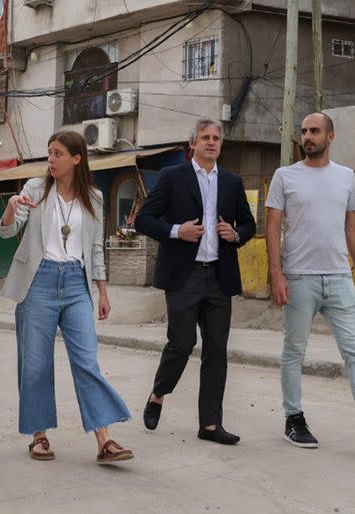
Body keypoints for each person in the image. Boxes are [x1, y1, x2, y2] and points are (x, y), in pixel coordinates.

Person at [265, 112, 355, 454]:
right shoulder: (284, 176)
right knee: (294, 351)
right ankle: (293, 418)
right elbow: (273, 226)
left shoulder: (345, 176)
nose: (308, 136)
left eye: (314, 131)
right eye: (304, 131)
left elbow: (352, 227)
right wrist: (276, 273)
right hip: (299, 278)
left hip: (340, 278)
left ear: (330, 136)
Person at [0, 131, 133, 464]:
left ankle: (104, 439)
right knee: (36, 364)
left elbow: (96, 247)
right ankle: (39, 436)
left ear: (77, 158)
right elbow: (8, 231)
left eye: (58, 153)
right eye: (49, 152)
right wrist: (11, 209)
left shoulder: (95, 197)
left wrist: (101, 290)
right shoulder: (34, 188)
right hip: (39, 281)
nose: (51, 159)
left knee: (87, 361)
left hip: (76, 284)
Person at [135, 118, 255, 444]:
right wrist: (177, 231)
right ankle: (159, 393)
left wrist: (236, 233)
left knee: (217, 351)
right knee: (182, 343)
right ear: (194, 144)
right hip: (183, 276)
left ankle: (210, 425)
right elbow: (143, 219)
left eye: (216, 138)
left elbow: (249, 224)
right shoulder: (173, 177)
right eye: (206, 137)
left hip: (219, 276)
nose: (212, 142)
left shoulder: (231, 182)